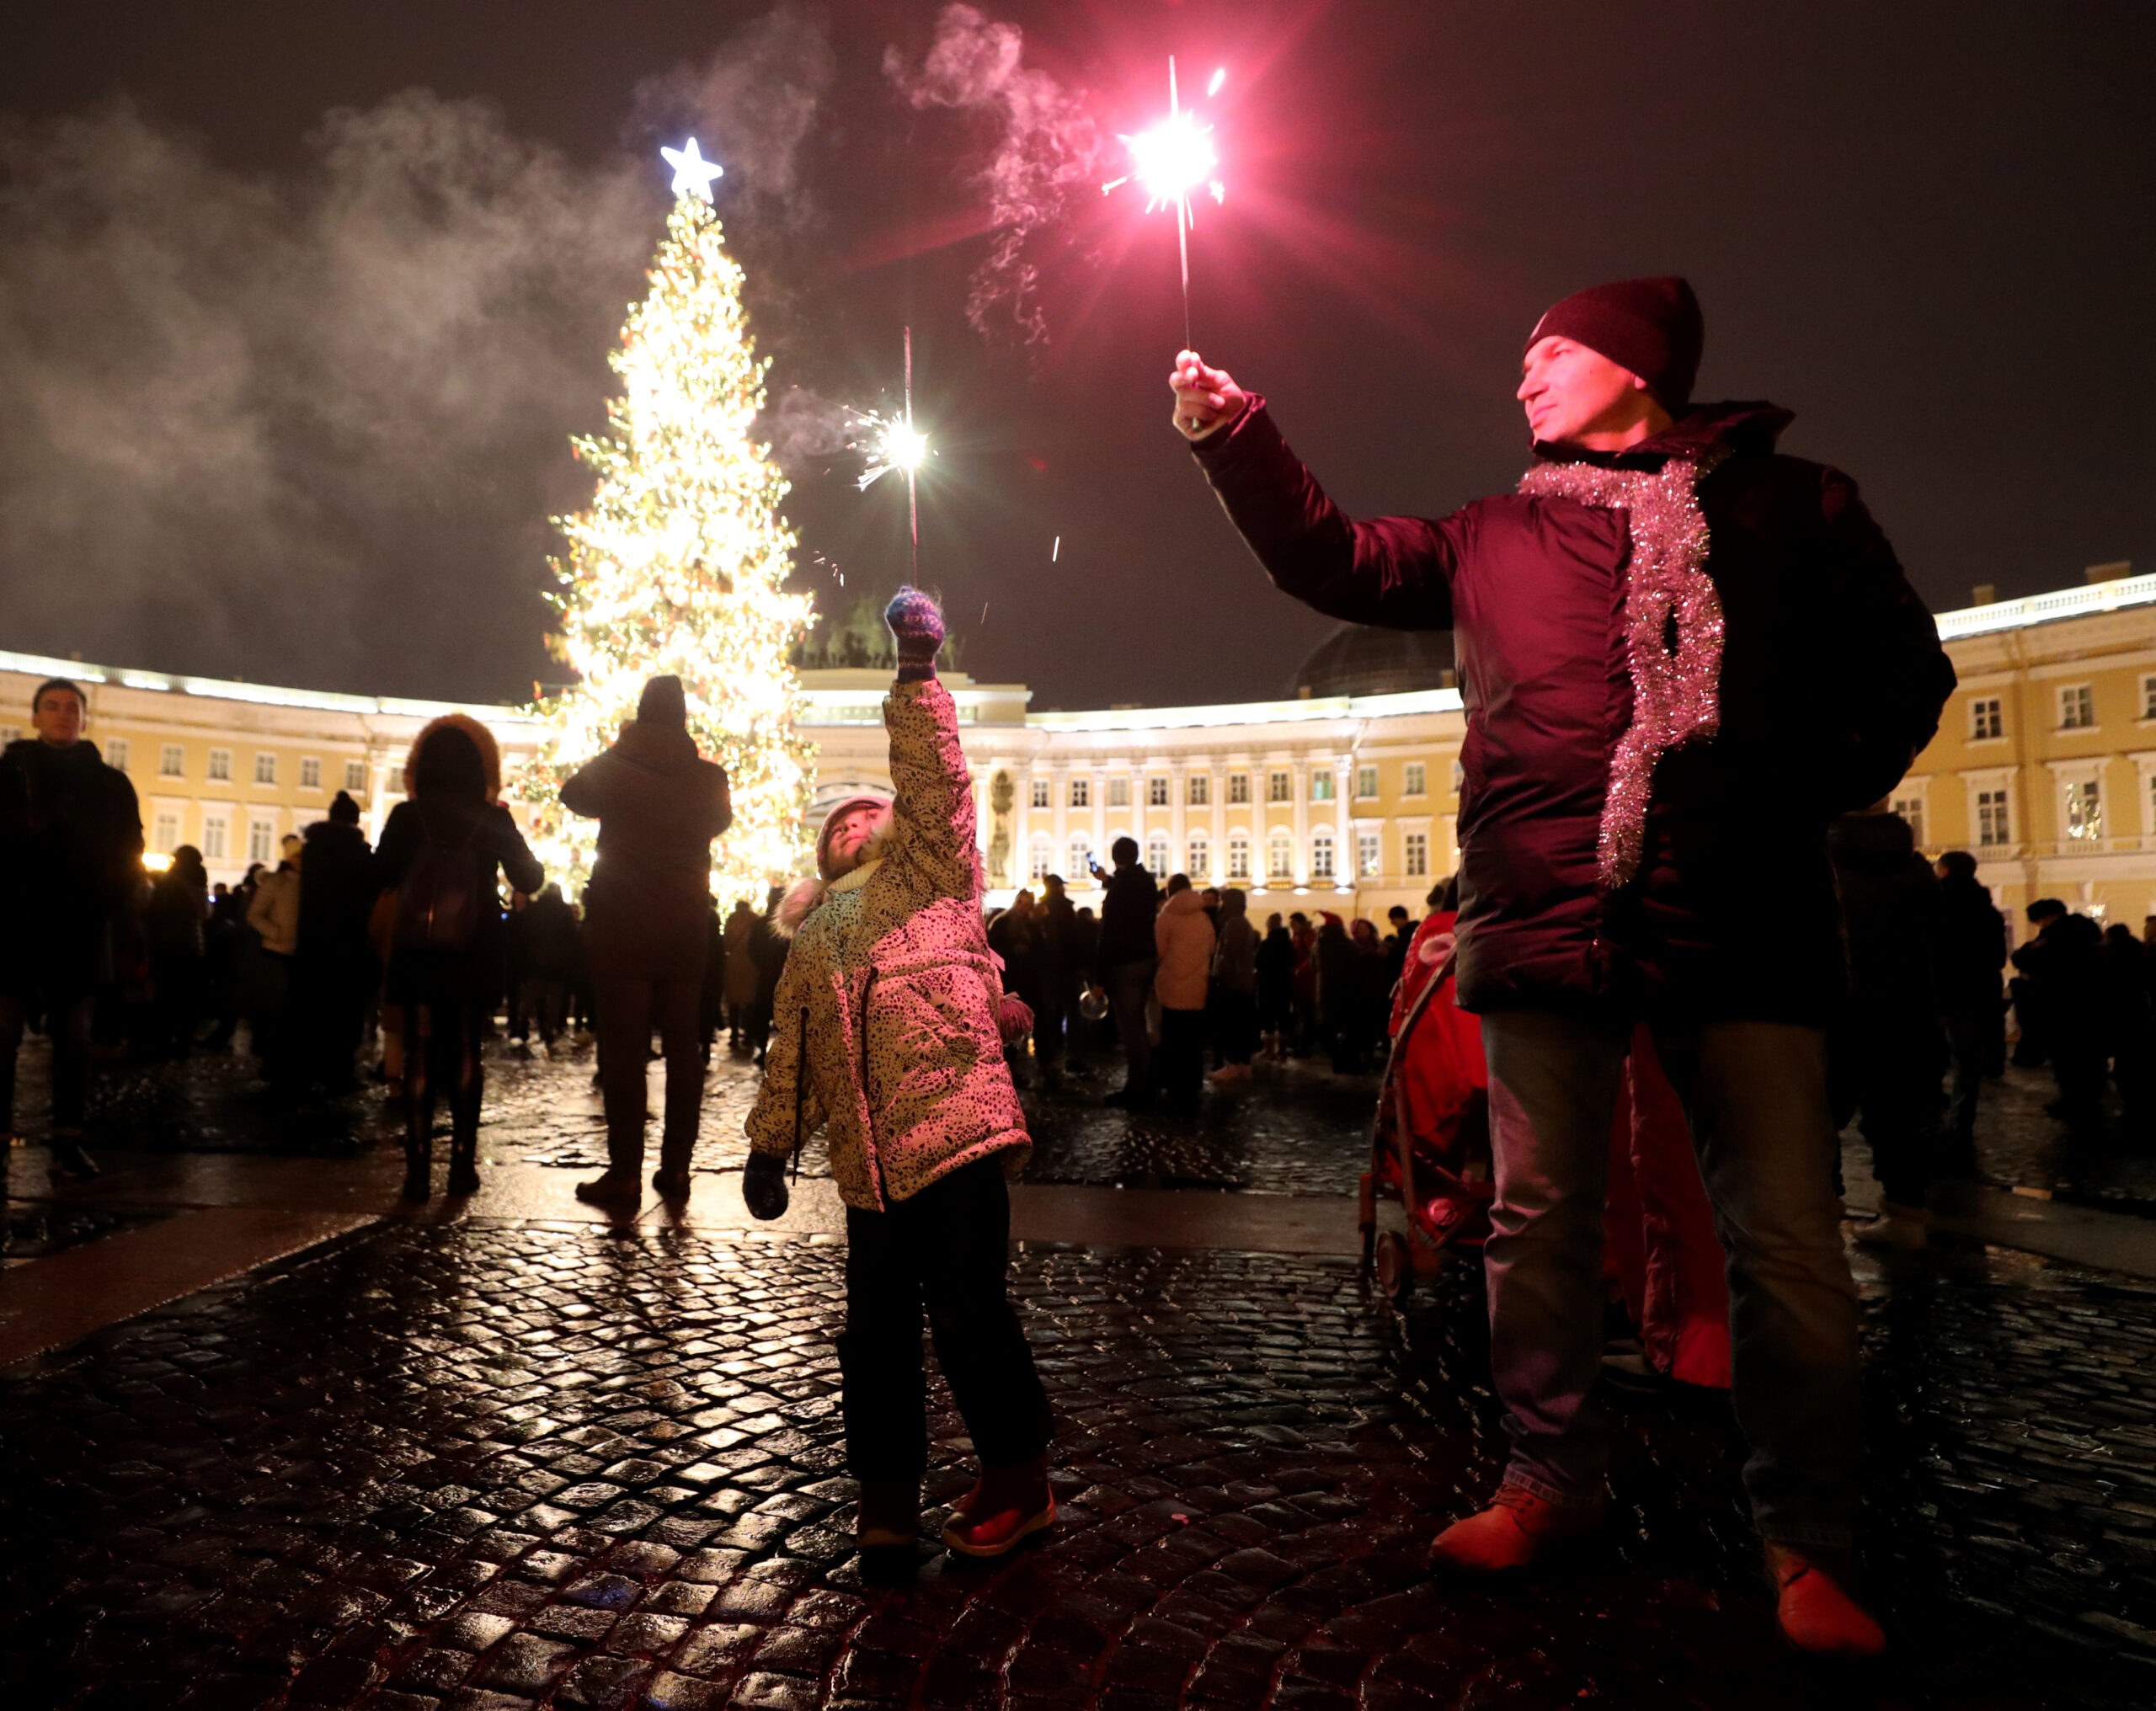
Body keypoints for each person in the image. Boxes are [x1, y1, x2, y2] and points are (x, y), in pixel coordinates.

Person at [1173, 275, 1955, 1654]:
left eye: (1552, 356)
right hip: (1543, 915)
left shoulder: (1798, 507)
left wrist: (1788, 793)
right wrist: (1236, 437)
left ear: (1637, 368)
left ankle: (1810, 1536)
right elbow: (1333, 560)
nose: (1522, 382)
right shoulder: (1490, 533)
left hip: (1745, 919)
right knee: (1535, 1225)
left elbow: (1907, 675)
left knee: (1785, 1239)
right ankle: (1549, 1482)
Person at [744, 589, 1053, 1563]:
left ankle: (1018, 1476)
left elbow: (935, 789)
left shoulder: (931, 874)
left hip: (957, 1132)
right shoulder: (813, 938)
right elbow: (787, 1053)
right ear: (820, 854)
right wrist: (767, 1147)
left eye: (871, 811)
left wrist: (916, 676)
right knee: (872, 1337)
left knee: (969, 1312)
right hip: (870, 1174)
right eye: (840, 821)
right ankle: (885, 1501)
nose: (857, 820)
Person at [559, 674, 732, 1205]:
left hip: (622, 927)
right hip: (684, 930)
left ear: (639, 714)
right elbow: (721, 820)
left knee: (625, 1052)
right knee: (685, 1052)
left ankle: (625, 1174)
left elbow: (572, 794)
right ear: (683, 719)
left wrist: (623, 747)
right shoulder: (709, 778)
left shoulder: (616, 768)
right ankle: (676, 1170)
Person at [374, 717, 542, 1200]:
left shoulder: (409, 816)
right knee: (469, 1048)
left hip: (418, 948)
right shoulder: (494, 818)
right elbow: (529, 878)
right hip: (475, 944)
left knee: (420, 1051)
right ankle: (464, 1166)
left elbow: (380, 873)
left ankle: (418, 1171)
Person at [0, 680, 142, 1176]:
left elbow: (130, 854)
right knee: (3, 1034)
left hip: (80, 926)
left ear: (85, 720)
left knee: (74, 1038)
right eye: (51, 707)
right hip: (13, 923)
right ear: (35, 716)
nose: (62, 715)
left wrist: (102, 904)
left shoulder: (110, 784)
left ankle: (67, 1139)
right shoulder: (9, 774)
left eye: (71, 708)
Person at [1826, 803, 1947, 1252]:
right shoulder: (1916, 868)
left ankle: (1824, 1208)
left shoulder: (1825, 860)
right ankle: (1905, 1214)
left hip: (1839, 1004)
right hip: (1905, 1006)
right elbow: (1939, 940)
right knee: (1898, 1117)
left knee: (1820, 1114)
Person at [293, 792, 376, 1089]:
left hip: (311, 939)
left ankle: (305, 1068)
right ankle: (339, 1070)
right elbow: (370, 893)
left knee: (311, 1006)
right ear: (355, 820)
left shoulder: (312, 850)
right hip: (349, 941)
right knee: (344, 1009)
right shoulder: (359, 853)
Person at [1931, 851, 2005, 1170]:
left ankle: (1925, 1120)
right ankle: (1962, 1121)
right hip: (1974, 995)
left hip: (1936, 992)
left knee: (1926, 1058)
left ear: (1944, 870)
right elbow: (1998, 958)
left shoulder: (1930, 904)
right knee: (1967, 1062)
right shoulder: (1987, 909)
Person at [2013, 902, 2105, 1128]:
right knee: (2088, 1056)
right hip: (2090, 1003)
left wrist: (2026, 953)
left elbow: (2028, 958)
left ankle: (2074, 1102)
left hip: (2061, 1004)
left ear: (2046, 918)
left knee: (2067, 1057)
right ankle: (2088, 1100)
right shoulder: (2088, 931)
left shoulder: (2056, 936)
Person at [1090, 837, 1161, 1107]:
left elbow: (1108, 936)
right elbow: (1130, 887)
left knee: (1132, 1030)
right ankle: (1146, 1082)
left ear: (1115, 857)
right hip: (1145, 958)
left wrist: (1099, 979)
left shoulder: (1120, 891)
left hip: (1124, 963)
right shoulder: (1146, 881)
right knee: (1140, 1026)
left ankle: (1138, 1089)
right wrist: (1107, 880)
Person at [1153, 872, 1215, 1114]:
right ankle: (1193, 1082)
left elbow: (1159, 950)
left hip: (1172, 987)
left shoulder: (1166, 917)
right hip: (1198, 986)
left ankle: (1175, 1084)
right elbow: (1211, 947)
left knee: (1173, 1037)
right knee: (1193, 1039)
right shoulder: (1203, 918)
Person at [145, 845, 210, 1058]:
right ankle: (184, 1043)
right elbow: (206, 914)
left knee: (166, 995)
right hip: (193, 946)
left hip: (168, 944)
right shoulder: (200, 882)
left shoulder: (169, 882)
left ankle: (163, 1039)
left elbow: (155, 911)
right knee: (188, 998)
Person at [247, 842, 303, 1083]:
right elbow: (254, 915)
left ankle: (284, 1061)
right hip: (276, 952)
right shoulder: (276, 882)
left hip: (298, 954)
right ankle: (271, 1061)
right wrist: (274, 932)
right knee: (276, 1010)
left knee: (289, 1011)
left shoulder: (311, 884)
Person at [986, 887, 1043, 1089]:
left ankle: (1024, 1069)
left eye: (1028, 905)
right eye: (1023, 904)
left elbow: (1040, 948)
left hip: (1028, 980)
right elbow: (992, 950)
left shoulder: (1032, 923)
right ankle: (1008, 1070)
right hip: (1010, 980)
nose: (1024, 908)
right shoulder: (1002, 922)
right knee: (1008, 1030)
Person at [517, 882, 581, 1052]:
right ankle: (548, 1028)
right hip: (557, 962)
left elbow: (525, 933)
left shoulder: (535, 909)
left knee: (531, 993)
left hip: (536, 959)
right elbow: (571, 937)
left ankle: (523, 1022)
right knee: (554, 996)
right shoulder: (564, 911)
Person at [1033, 874, 1082, 1089]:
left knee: (1051, 1013)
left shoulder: (1042, 909)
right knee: (1072, 1012)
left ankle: (1051, 1057)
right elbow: (1073, 939)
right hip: (1067, 967)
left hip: (1048, 968)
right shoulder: (1066, 908)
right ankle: (1072, 1055)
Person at [1209, 887, 1259, 1081]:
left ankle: (1234, 1065)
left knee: (1231, 1025)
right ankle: (1243, 1065)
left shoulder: (1234, 923)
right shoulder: (1242, 922)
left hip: (1233, 983)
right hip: (1243, 983)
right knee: (1241, 1026)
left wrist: (1218, 974)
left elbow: (1228, 955)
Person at [723, 897, 760, 1053]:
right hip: (752, 964)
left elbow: (725, 941)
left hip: (733, 965)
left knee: (734, 1003)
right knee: (750, 1003)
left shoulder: (732, 919)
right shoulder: (755, 919)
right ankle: (749, 1034)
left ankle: (733, 1034)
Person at [1255, 911, 1294, 1061]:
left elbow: (1258, 962)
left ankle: (1269, 1051)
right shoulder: (1288, 943)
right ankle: (1282, 1051)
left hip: (1268, 985)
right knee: (1284, 1018)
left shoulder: (1267, 943)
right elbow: (1292, 961)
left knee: (1268, 1019)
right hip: (1284, 984)